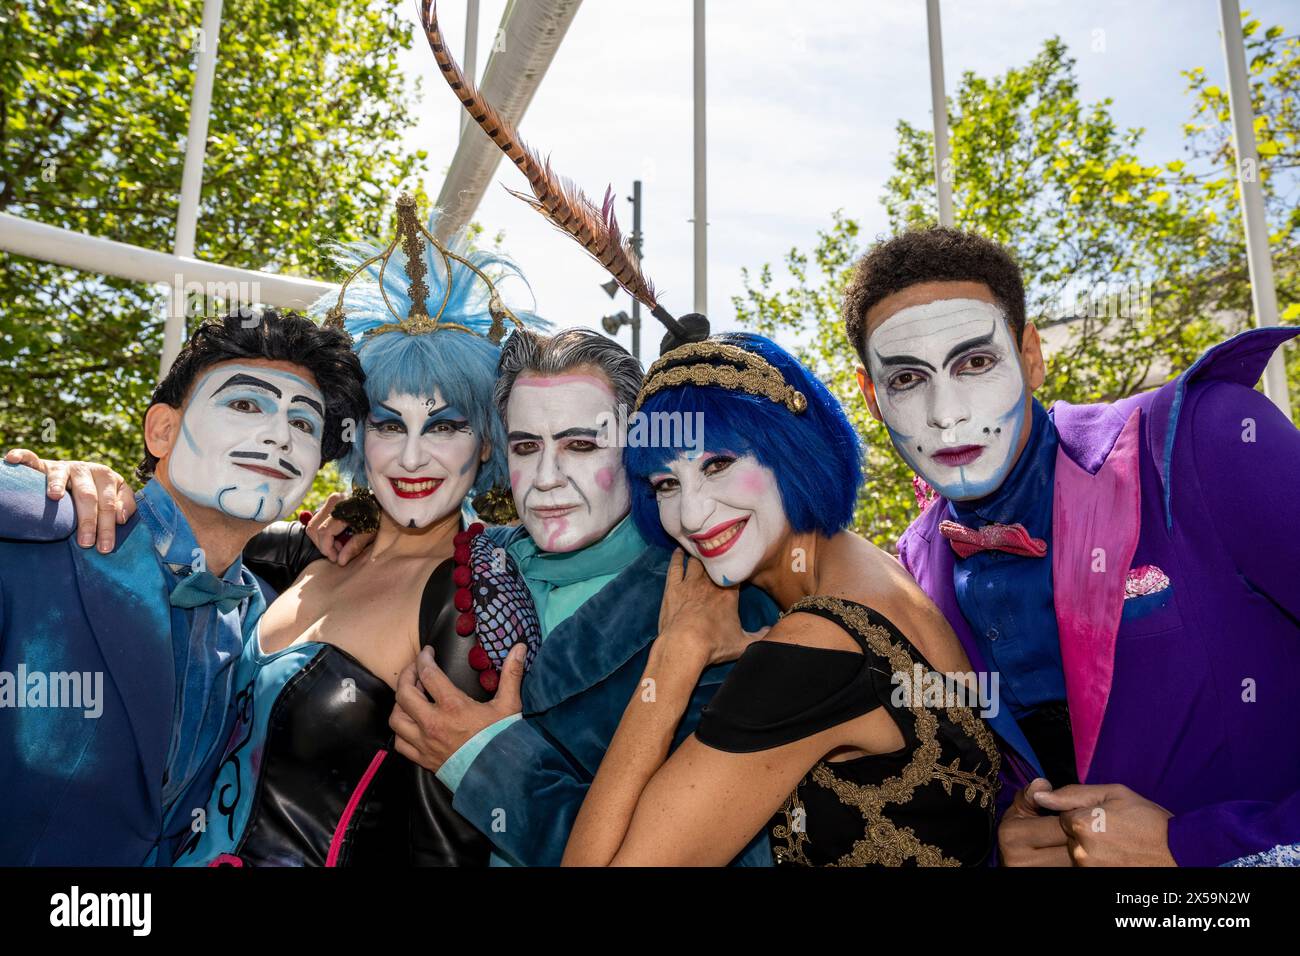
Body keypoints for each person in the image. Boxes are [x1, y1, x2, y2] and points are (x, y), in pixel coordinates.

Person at [841, 225, 1300, 866]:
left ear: (1031, 356)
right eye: (908, 379)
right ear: (871, 396)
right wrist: (1009, 838)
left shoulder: (1207, 441)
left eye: (975, 362)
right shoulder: (915, 568)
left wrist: (1195, 849)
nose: (945, 413)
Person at [317, 327, 780, 865]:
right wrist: (361, 518)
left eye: (580, 445)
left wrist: (485, 760)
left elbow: (694, 853)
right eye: (525, 446)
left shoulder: (720, 604)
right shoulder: (473, 556)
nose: (545, 478)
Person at [554, 332, 1000, 866]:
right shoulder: (881, 574)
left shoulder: (817, 646)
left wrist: (676, 656)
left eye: (717, 464)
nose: (692, 516)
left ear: (792, 450)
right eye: (665, 485)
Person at [0, 308, 367, 865]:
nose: (279, 436)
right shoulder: (33, 520)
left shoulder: (268, 621)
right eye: (246, 404)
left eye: (304, 425)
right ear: (162, 430)